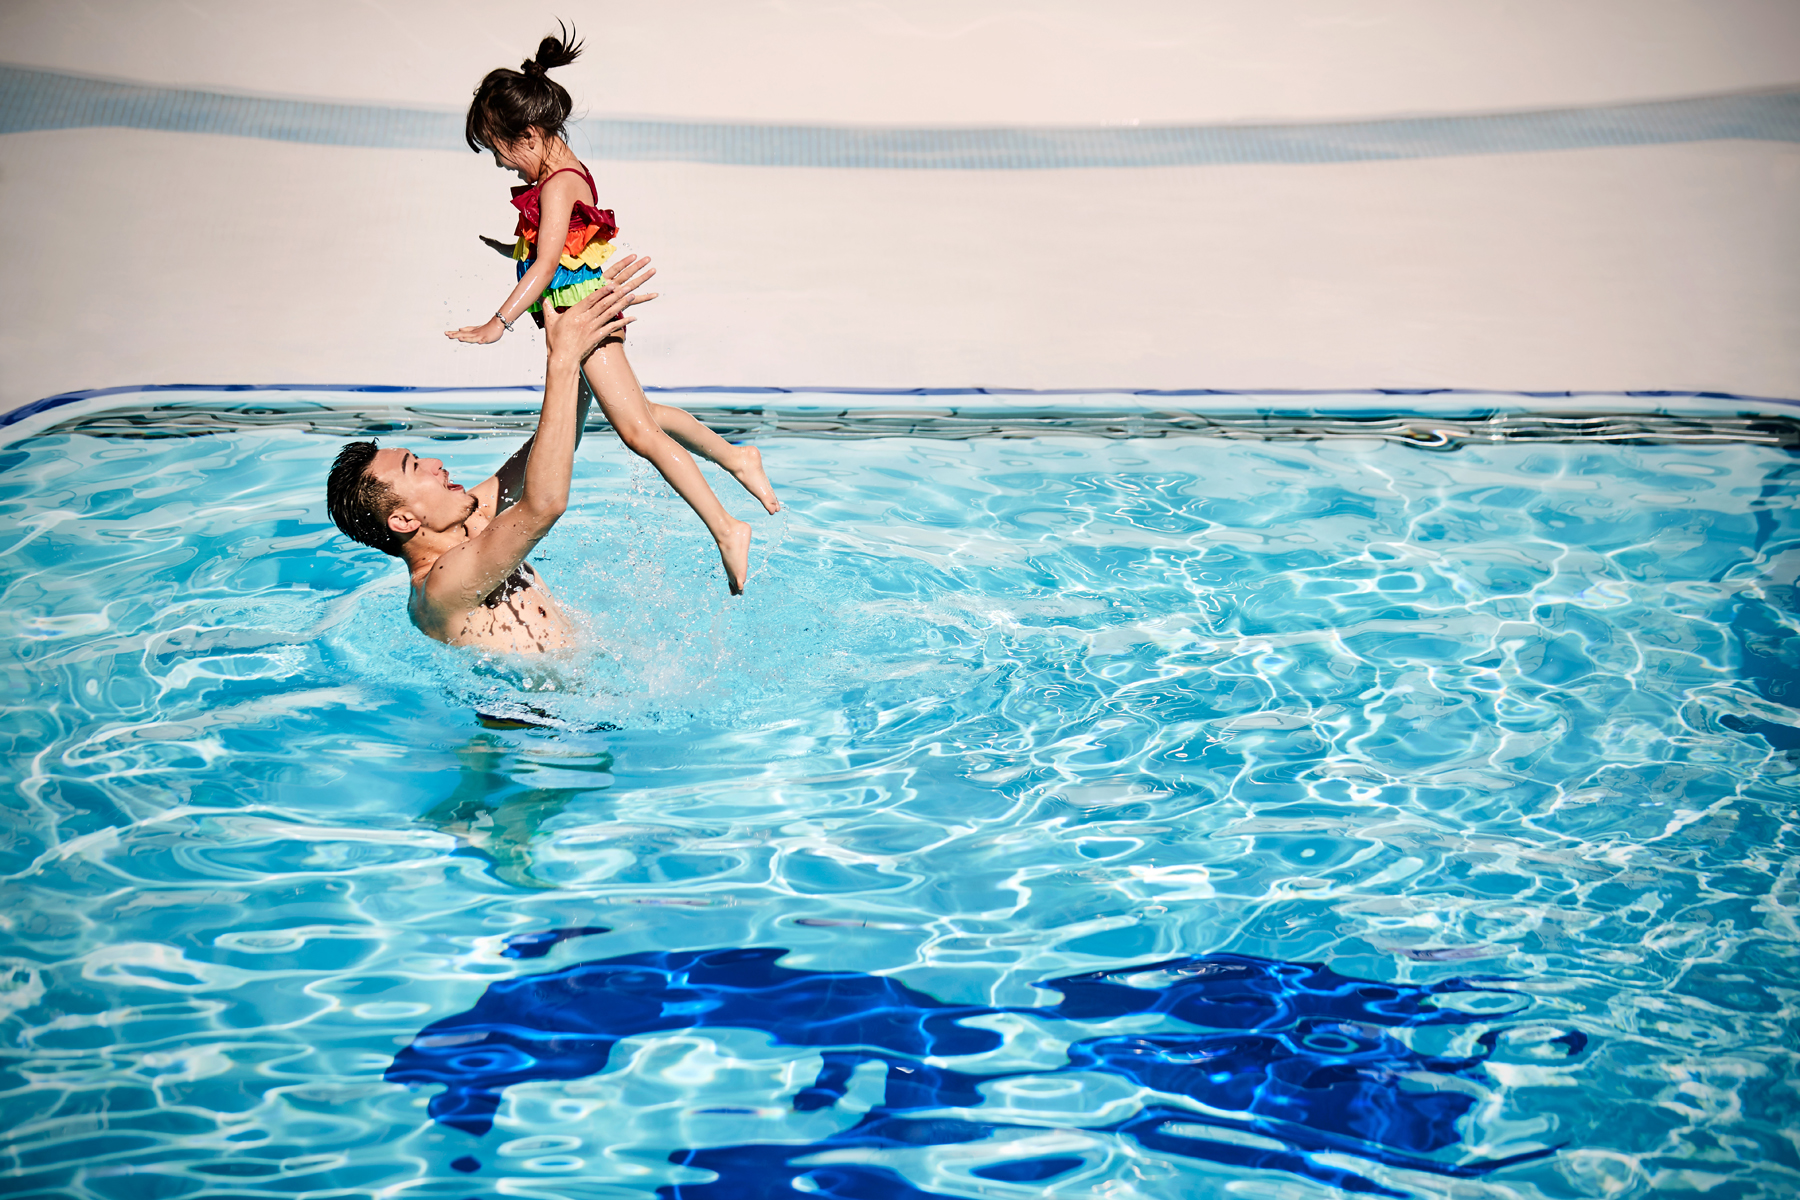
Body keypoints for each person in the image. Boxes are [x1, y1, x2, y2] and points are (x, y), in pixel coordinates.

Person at [445, 24, 777, 595]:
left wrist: (495, 324)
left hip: (583, 318)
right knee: (630, 413)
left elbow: (551, 264)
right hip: (577, 311)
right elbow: (560, 245)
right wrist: (512, 249)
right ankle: (736, 456)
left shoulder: (556, 184)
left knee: (637, 430)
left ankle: (726, 527)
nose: (502, 167)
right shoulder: (558, 175)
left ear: (527, 134)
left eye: (500, 153)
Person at [327, 258, 655, 652]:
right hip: (533, 713)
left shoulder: (471, 519)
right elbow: (545, 504)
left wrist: (588, 325)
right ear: (403, 519)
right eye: (415, 469)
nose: (435, 465)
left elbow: (554, 446)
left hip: (581, 696)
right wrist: (563, 358)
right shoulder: (440, 587)